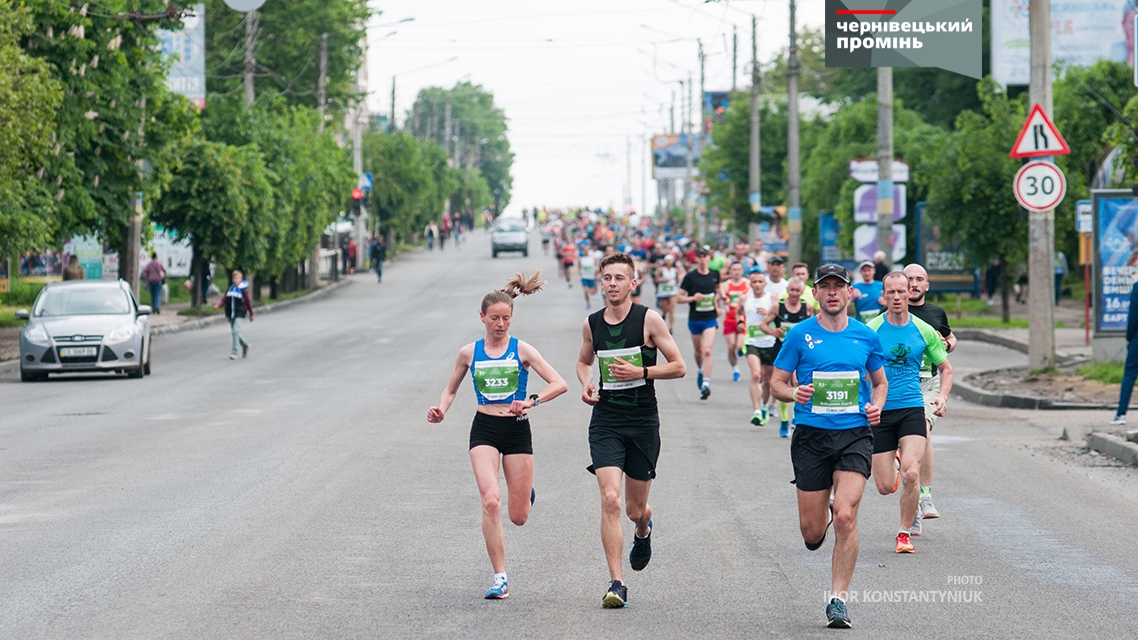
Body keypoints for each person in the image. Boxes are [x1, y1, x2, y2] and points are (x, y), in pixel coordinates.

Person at [427, 272, 568, 600]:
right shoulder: (469, 352)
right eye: (494, 318)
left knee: (518, 517)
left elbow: (559, 384)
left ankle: (526, 493)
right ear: (482, 318)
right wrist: (441, 410)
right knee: (491, 501)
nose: (500, 324)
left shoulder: (523, 350)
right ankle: (500, 577)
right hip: (484, 429)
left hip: (517, 429)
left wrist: (531, 401)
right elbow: (450, 389)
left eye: (506, 318)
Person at [769, 264, 888, 629]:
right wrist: (794, 392)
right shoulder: (799, 335)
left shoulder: (865, 336)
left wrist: (877, 406)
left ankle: (838, 599)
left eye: (839, 286)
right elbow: (776, 383)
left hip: (854, 434)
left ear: (850, 292)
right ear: (816, 294)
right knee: (812, 533)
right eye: (826, 286)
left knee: (846, 517)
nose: (833, 292)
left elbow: (880, 382)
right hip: (811, 436)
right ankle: (825, 516)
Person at [576, 253, 686, 608]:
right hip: (606, 420)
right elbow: (584, 361)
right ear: (601, 282)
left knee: (634, 509)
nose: (612, 283)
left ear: (632, 283)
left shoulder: (648, 320)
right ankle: (616, 582)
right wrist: (586, 383)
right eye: (607, 277)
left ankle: (644, 528)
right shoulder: (592, 323)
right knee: (610, 499)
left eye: (619, 278)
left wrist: (641, 373)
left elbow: (679, 366)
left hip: (642, 421)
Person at [866, 272, 952, 550]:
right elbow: (858, 369)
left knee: (911, 474)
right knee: (883, 486)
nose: (896, 297)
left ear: (908, 293)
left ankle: (904, 532)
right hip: (881, 411)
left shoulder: (923, 330)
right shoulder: (871, 329)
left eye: (901, 291)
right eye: (890, 292)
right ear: (883, 296)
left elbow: (946, 368)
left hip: (912, 407)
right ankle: (896, 459)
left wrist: (941, 396)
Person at [903, 264, 957, 522]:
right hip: (900, 384)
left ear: (927, 285)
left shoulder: (935, 313)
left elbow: (951, 338)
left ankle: (925, 495)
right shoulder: (891, 314)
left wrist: (946, 345)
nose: (914, 284)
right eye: (909, 279)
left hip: (928, 383)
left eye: (919, 279)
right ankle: (911, 506)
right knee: (906, 445)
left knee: (921, 430)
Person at [760, 278, 813, 437]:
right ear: (787, 290)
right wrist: (773, 332)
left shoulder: (807, 307)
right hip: (782, 350)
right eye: (792, 290)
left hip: (802, 352)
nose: (794, 293)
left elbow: (814, 326)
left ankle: (796, 418)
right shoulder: (778, 306)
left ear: (802, 292)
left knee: (797, 382)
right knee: (781, 382)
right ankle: (784, 419)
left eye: (797, 291)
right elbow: (763, 324)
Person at [677, 246, 721, 399]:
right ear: (696, 259)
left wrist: (718, 303)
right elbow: (679, 298)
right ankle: (700, 370)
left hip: (710, 319)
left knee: (707, 350)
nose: (702, 259)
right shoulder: (690, 277)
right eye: (699, 256)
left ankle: (706, 383)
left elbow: (718, 290)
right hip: (695, 319)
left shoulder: (715, 274)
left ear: (709, 258)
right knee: (698, 352)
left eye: (705, 256)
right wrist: (692, 298)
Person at [741, 269, 776, 426]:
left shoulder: (772, 299)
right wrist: (740, 322)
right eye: (754, 282)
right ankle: (756, 410)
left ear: (765, 283)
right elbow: (737, 312)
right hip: (752, 342)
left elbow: (779, 315)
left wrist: (768, 313)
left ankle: (763, 406)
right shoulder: (745, 299)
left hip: (770, 343)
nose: (757, 285)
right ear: (750, 283)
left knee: (768, 381)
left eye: (760, 282)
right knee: (756, 375)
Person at [719, 261, 750, 382]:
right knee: (731, 346)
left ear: (742, 271)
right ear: (730, 272)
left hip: (743, 319)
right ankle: (735, 369)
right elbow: (717, 298)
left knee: (740, 346)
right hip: (729, 319)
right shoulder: (725, 285)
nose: (736, 272)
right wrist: (719, 306)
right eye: (734, 270)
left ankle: (740, 351)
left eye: (738, 269)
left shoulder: (747, 284)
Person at [215, 269, 254, 360]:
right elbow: (225, 300)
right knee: (235, 331)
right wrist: (218, 306)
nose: (235, 280)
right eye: (233, 278)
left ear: (241, 279)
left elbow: (248, 302)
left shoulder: (243, 290)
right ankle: (245, 345)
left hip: (239, 312)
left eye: (237, 278)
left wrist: (251, 313)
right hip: (231, 313)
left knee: (235, 331)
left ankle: (234, 352)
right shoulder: (230, 289)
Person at [654, 254, 681, 334]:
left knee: (672, 309)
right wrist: (663, 280)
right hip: (663, 292)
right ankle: (664, 315)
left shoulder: (675, 270)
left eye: (670, 261)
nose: (669, 262)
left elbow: (677, 280)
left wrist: (678, 280)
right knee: (665, 309)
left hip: (672, 291)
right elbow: (656, 280)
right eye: (668, 261)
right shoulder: (661, 270)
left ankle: (671, 327)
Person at [579, 245, 600, 309]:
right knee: (586, 290)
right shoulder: (581, 259)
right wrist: (580, 272)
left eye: (587, 250)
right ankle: (588, 303)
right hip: (584, 277)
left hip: (591, 277)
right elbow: (579, 267)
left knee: (592, 291)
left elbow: (597, 266)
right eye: (585, 250)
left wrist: (596, 271)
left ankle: (595, 292)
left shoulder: (593, 258)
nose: (586, 251)